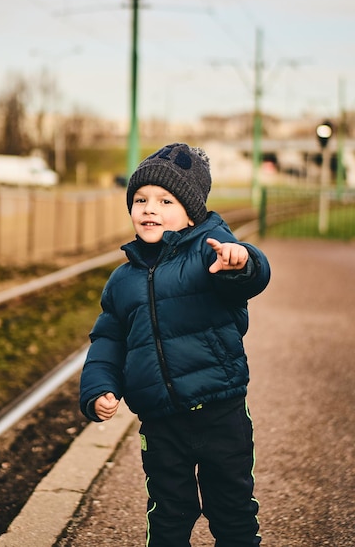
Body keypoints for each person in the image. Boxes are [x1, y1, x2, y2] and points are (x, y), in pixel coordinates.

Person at [80, 143, 271, 547]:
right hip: (161, 420)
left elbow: (252, 275)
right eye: (140, 199)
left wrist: (241, 263)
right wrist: (98, 387)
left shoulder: (213, 252)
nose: (150, 208)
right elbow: (107, 340)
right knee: (168, 511)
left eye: (165, 200)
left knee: (232, 508)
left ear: (191, 212)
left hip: (221, 409)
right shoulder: (123, 279)